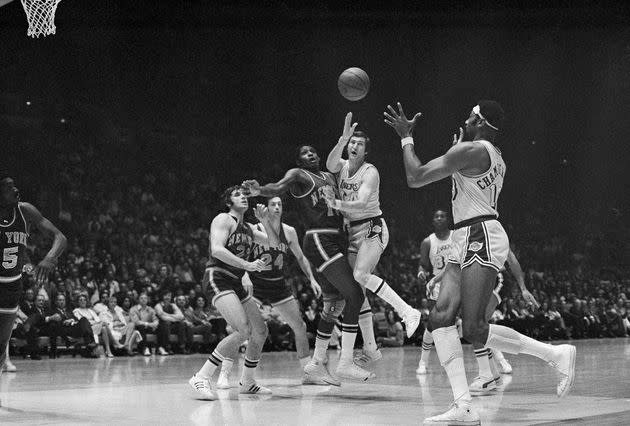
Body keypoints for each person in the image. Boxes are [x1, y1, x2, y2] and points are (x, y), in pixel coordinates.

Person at [384, 101, 576, 425]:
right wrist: (456, 150)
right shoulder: (492, 156)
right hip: (466, 234)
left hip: (481, 231)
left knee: (473, 328)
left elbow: (415, 177)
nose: (465, 119)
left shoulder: (473, 150)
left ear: (481, 122)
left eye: (471, 116)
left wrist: (406, 137)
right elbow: (465, 183)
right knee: (440, 317)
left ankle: (555, 354)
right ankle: (464, 405)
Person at [242, 144, 374, 382]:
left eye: (313, 151)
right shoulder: (298, 175)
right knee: (355, 294)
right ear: (299, 159)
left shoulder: (330, 176)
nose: (310, 154)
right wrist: (259, 190)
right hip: (319, 237)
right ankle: (345, 362)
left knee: (335, 304)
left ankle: (315, 363)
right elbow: (278, 187)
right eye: (304, 152)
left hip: (337, 238)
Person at [325, 113, 422, 367]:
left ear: (366, 151)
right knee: (356, 289)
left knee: (360, 275)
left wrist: (336, 203)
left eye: (359, 144)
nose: (354, 146)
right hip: (352, 232)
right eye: (352, 143)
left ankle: (407, 311)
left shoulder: (371, 172)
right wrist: (342, 139)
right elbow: (330, 164)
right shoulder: (343, 166)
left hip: (372, 227)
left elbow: (360, 204)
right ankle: (370, 348)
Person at [216, 196, 326, 388]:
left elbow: (300, 257)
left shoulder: (289, 231)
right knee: (239, 329)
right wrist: (244, 275)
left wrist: (313, 279)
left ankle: (307, 373)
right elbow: (239, 253)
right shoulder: (253, 229)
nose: (276, 207)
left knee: (299, 326)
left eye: (279, 204)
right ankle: (224, 374)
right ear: (265, 208)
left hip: (278, 285)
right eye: (272, 204)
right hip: (255, 284)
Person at [188, 186, 280, 400]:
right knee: (243, 329)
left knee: (260, 330)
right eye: (237, 194)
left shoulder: (248, 227)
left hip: (235, 281)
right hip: (217, 276)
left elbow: (275, 243)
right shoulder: (223, 219)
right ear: (228, 201)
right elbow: (217, 249)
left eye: (244, 194)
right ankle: (201, 376)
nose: (243, 197)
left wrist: (264, 220)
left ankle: (247, 382)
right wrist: (247, 265)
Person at [0, 170, 67, 377]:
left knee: (1, 346)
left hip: (12, 285)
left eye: (15, 185)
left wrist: (50, 257)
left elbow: (60, 237)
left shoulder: (25, 211)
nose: (16, 189)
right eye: (9, 187)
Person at [415, 209, 453, 375]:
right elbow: (422, 264)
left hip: (458, 282)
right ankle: (423, 362)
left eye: (442, 216)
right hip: (436, 285)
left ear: (448, 219)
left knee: (473, 319)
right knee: (433, 323)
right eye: (436, 216)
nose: (439, 218)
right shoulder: (427, 242)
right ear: (433, 221)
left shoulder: (456, 236)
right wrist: (421, 273)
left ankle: (499, 360)